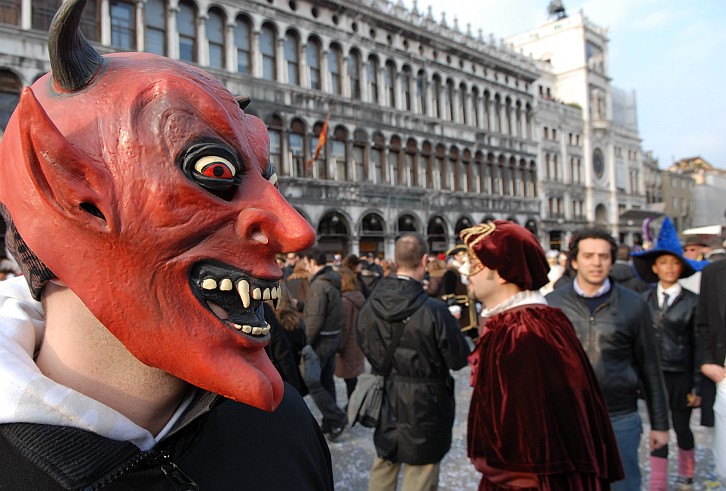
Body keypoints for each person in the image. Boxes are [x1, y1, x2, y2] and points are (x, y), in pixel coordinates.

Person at [0, 1, 332, 488]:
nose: (295, 232)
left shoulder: (284, 425)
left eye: (269, 178)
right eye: (214, 172)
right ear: (69, 190)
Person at [461, 220, 623, 490]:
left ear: (502, 271)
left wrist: (507, 472)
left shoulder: (524, 330)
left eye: (476, 264)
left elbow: (538, 441)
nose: (469, 274)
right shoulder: (516, 322)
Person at [546, 228, 670, 491]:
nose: (596, 262)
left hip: (619, 416)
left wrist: (660, 424)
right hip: (569, 418)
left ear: (612, 261)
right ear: (575, 261)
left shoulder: (634, 304)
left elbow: (650, 366)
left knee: (622, 486)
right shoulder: (552, 305)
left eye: (603, 256)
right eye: (589, 255)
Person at [357, 234, 470, 491]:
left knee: (384, 462)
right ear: (425, 260)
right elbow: (458, 359)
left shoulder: (371, 303)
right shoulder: (435, 310)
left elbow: (363, 340)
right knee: (421, 472)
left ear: (395, 261)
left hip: (387, 392)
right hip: (427, 400)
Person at [631, 217, 702, 490]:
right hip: (652, 374)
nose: (669, 268)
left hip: (680, 373)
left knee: (682, 427)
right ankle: (658, 481)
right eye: (664, 263)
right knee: (657, 426)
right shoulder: (643, 301)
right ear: (654, 267)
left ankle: (686, 472)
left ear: (681, 267)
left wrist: (696, 383)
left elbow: (698, 343)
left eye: (674, 263)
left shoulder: (693, 302)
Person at [302, 246, 348, 439]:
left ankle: (336, 417)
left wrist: (306, 343)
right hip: (333, 336)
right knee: (327, 379)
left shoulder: (318, 285)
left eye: (306, 263)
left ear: (313, 262)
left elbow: (315, 318)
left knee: (312, 382)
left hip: (321, 340)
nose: (305, 267)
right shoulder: (331, 280)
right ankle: (330, 424)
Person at [695, 258, 726, 481]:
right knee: (724, 466)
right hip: (723, 379)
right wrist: (706, 362)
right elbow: (702, 323)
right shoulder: (713, 272)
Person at [335, 267, 366, 404]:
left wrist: (339, 347)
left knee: (350, 380)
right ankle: (353, 405)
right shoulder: (358, 296)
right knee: (352, 379)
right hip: (356, 344)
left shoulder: (345, 301)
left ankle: (352, 407)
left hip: (348, 346)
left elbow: (344, 327)